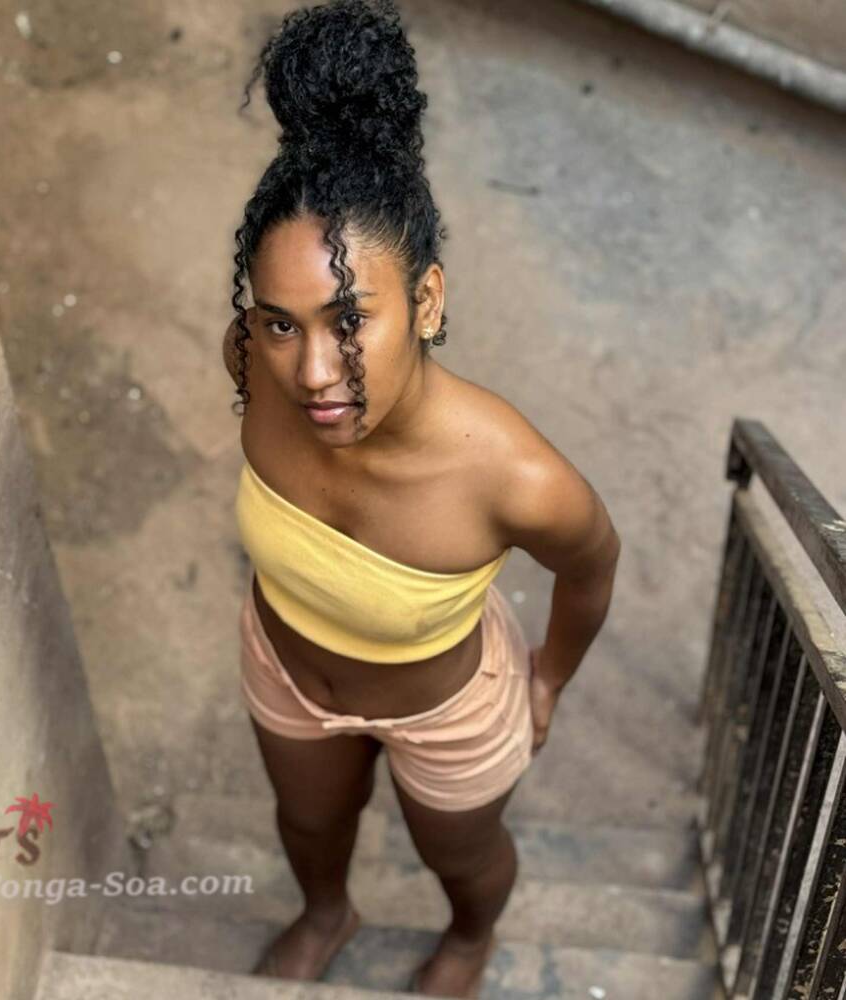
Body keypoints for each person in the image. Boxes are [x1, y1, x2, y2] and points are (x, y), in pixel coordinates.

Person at [222, 1, 621, 996]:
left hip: (447, 710)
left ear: (428, 300)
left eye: (349, 319)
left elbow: (592, 564)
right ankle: (327, 911)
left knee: (462, 856)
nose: (314, 372)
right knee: (307, 821)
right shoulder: (254, 364)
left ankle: (470, 942)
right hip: (288, 673)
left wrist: (547, 679)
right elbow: (277, 361)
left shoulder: (517, 477)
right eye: (281, 323)